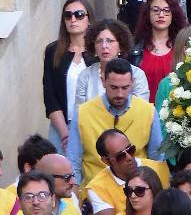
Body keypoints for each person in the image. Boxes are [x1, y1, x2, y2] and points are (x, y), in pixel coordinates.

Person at [68, 57, 163, 187]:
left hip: (138, 191)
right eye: (114, 87)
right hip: (95, 191)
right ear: (103, 81)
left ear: (132, 83)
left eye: (125, 87)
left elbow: (157, 160)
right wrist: (74, 194)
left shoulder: (148, 111)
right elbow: (73, 161)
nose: (120, 94)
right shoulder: (83, 113)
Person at [43, 0, 96, 154]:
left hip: (94, 125)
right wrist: (65, 135)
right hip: (61, 126)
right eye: (68, 15)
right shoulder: (53, 51)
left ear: (89, 19)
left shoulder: (99, 50)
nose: (73, 19)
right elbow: (50, 95)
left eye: (79, 14)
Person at [74, 19, 150, 111]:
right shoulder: (85, 75)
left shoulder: (137, 75)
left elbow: (141, 110)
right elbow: (79, 112)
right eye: (99, 41)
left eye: (110, 41)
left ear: (120, 46)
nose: (104, 46)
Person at [130, 0, 188, 103]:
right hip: (143, 113)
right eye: (156, 10)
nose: (161, 15)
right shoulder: (135, 48)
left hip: (174, 114)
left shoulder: (183, 47)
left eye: (166, 11)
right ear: (148, 14)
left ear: (173, 14)